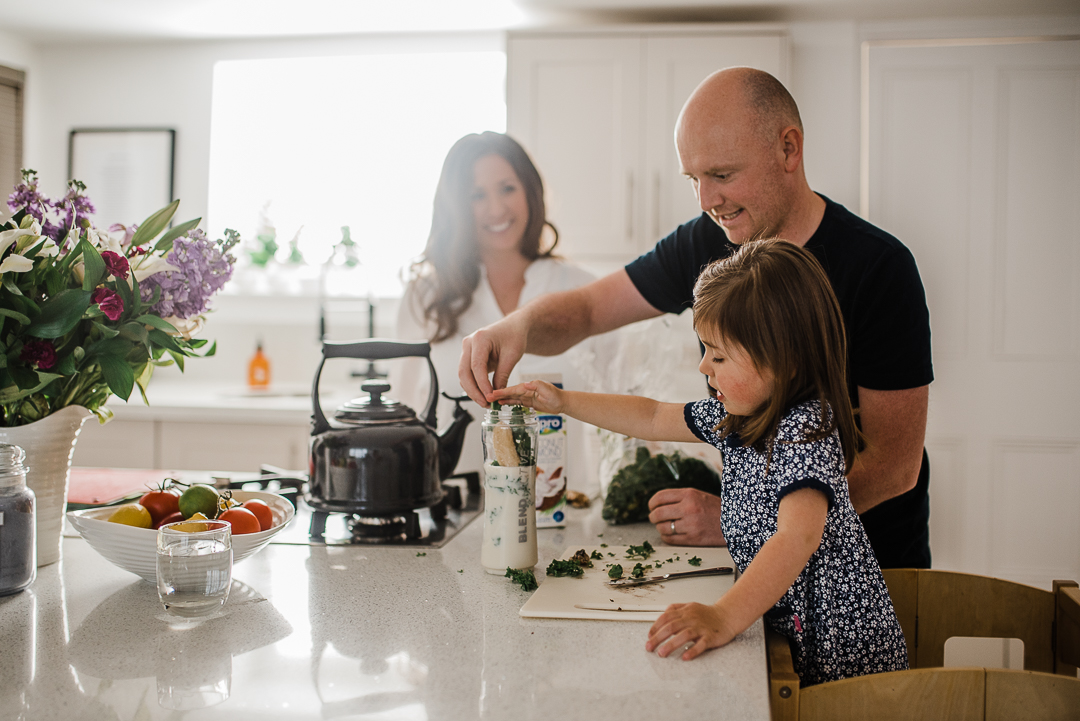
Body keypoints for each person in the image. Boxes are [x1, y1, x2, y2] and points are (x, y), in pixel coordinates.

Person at [458, 67, 933, 569]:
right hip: (753, 567)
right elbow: (591, 309)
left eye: (723, 175)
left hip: (868, 575)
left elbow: (893, 466)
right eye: (695, 180)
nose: (708, 202)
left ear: (789, 149)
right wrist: (520, 326)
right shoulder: (705, 244)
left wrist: (740, 518)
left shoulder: (880, 270)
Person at [494, 239, 908, 684]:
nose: (703, 367)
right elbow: (651, 415)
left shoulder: (803, 431)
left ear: (784, 361)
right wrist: (562, 401)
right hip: (794, 639)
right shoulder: (740, 417)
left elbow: (797, 536)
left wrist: (723, 617)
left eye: (719, 354)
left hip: (844, 662)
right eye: (704, 350)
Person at [392, 131, 599, 494]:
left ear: (530, 191)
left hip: (565, 519)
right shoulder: (424, 298)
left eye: (507, 188)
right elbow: (401, 418)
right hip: (456, 524)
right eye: (476, 195)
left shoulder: (582, 292)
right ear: (456, 206)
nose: (496, 209)